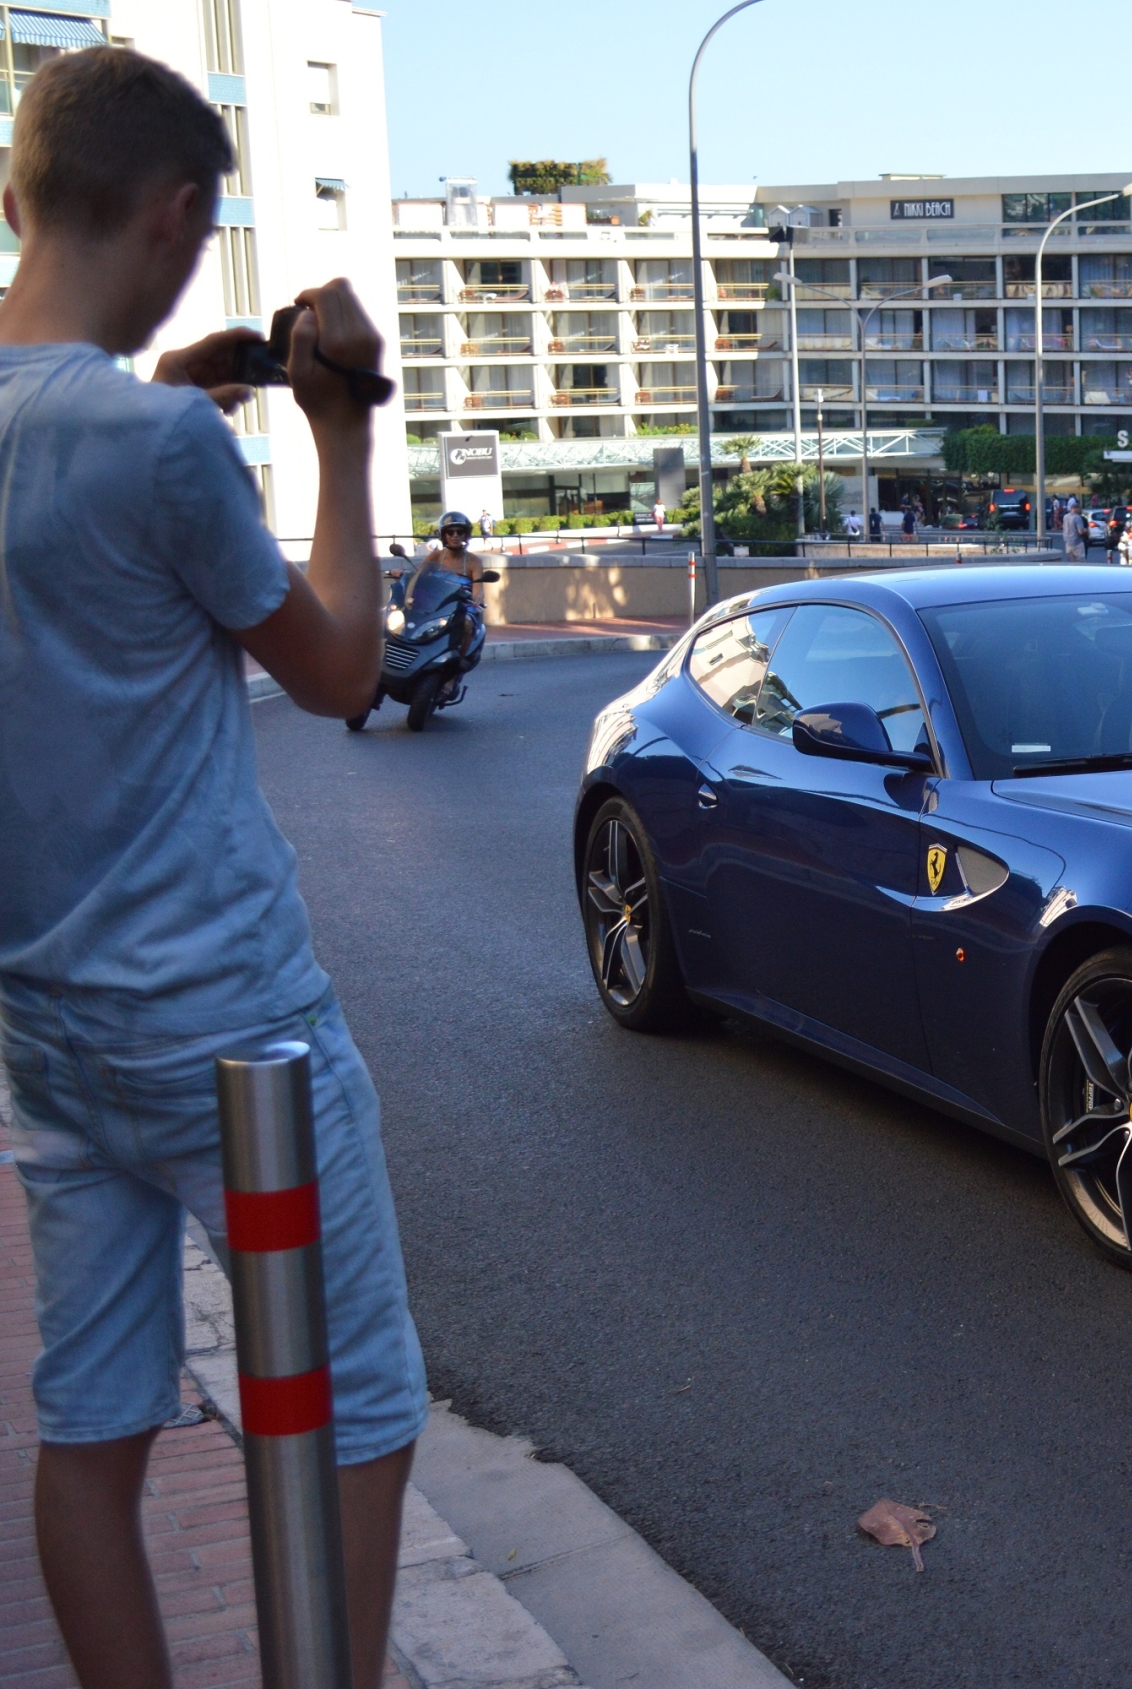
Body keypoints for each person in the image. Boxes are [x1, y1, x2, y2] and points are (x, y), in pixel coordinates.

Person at [0, 49, 423, 1689]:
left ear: (18, 194)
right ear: (182, 216)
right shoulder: (161, 453)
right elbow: (335, 673)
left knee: (90, 1424)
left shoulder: (125, 427)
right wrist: (334, 433)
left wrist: (170, 387)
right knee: (352, 1398)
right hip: (236, 1035)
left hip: (48, 1037)